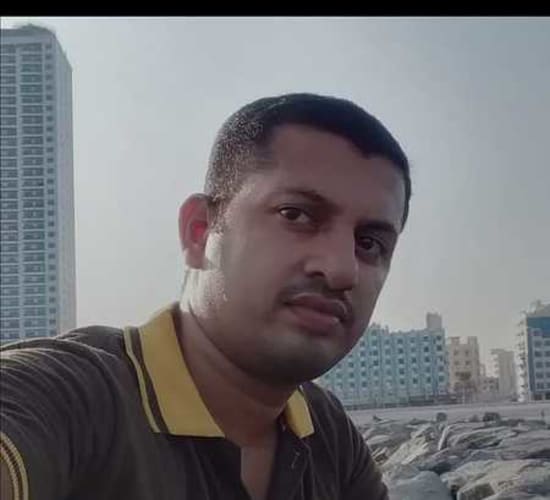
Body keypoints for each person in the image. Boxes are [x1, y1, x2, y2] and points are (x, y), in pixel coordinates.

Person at [0, 93, 410, 500]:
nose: (341, 269)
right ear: (200, 232)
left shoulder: (327, 434)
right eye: (296, 214)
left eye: (369, 243)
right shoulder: (70, 397)